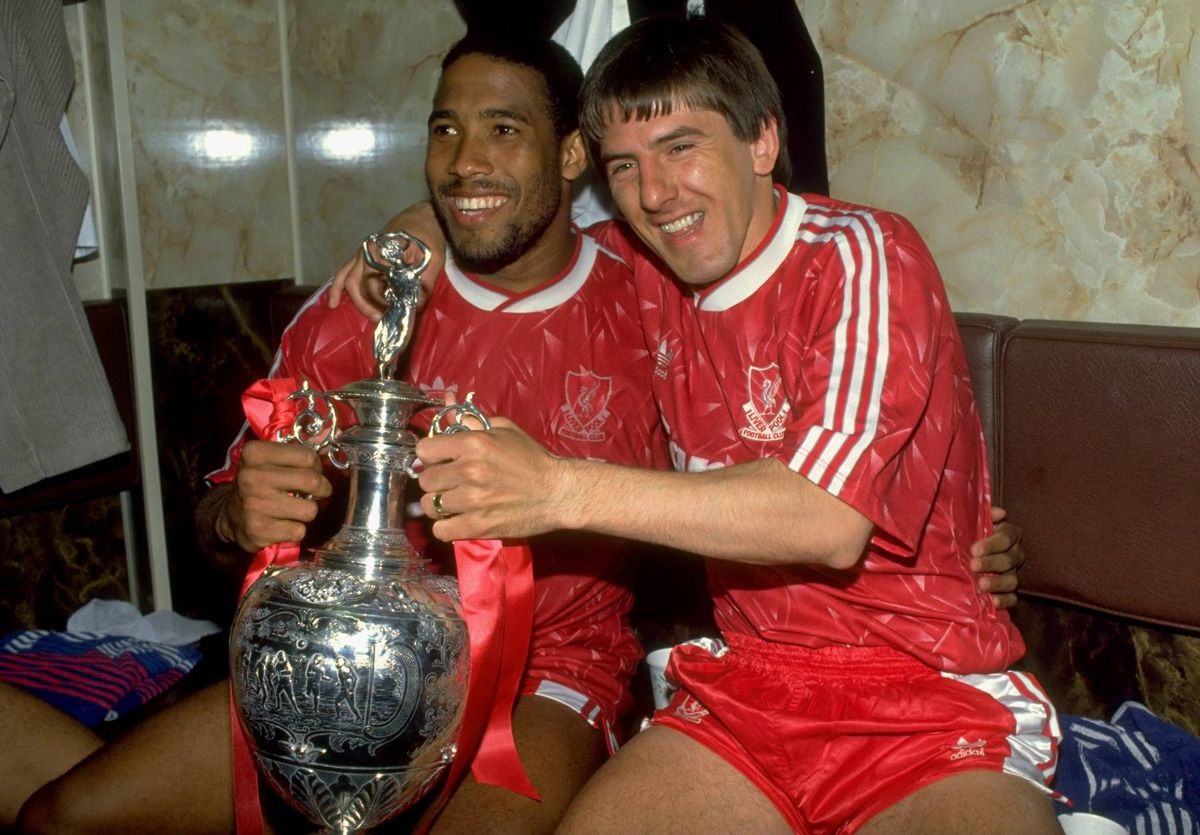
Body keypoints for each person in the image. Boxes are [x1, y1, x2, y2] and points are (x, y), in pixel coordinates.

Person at [10, 25, 1025, 835]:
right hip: (371, 649)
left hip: (574, 669)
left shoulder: (658, 286)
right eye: (445, 133)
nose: (466, 163)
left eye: (504, 131)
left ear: (566, 156)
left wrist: (943, 523)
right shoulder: (386, 292)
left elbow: (830, 492)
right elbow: (229, 495)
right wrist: (236, 511)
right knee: (61, 814)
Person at [348, 16, 1060, 834]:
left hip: (926, 695)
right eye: (625, 165)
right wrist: (425, 222)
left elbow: (826, 521)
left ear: (763, 140)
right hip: (752, 690)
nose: (656, 193)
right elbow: (521, 217)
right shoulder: (643, 268)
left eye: (682, 146)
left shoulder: (861, 251)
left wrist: (554, 486)